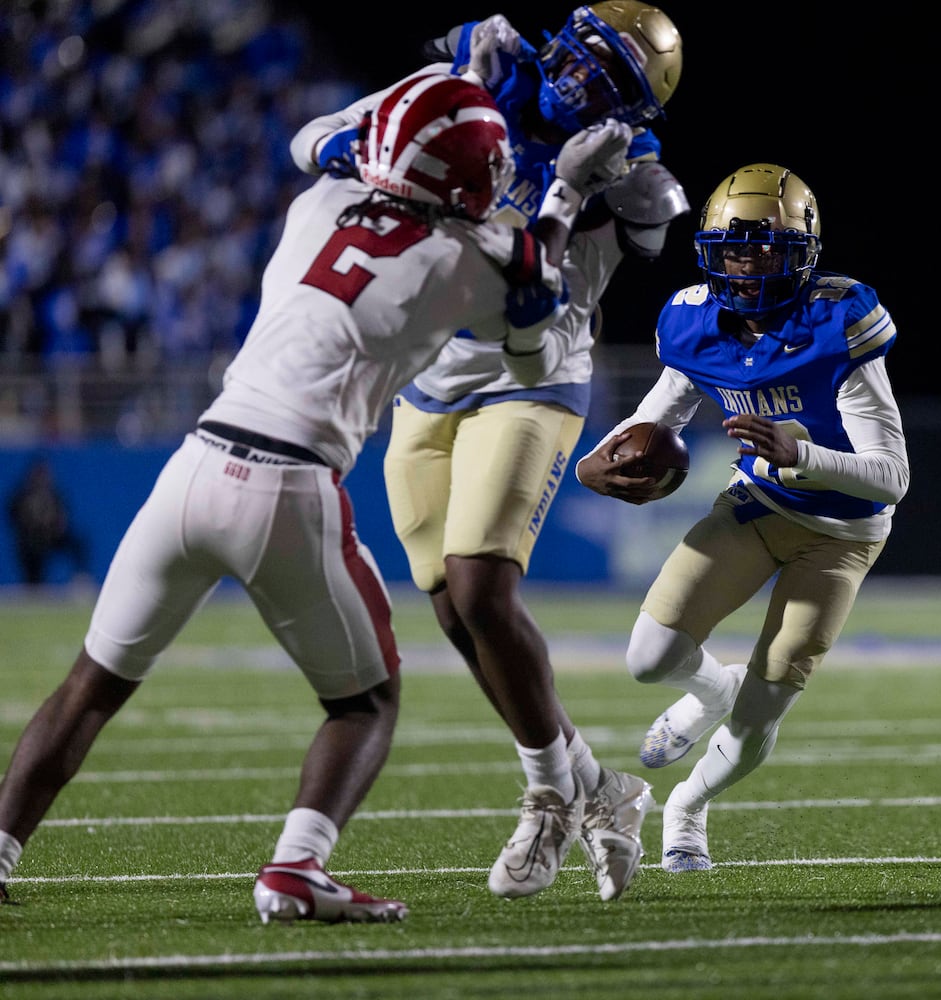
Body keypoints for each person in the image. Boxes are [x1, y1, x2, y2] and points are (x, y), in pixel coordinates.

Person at [0, 74, 632, 918]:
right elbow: (529, 335)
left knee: (90, 685)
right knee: (364, 704)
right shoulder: (466, 260)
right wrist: (563, 190)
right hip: (289, 486)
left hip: (191, 467)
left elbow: (322, 141)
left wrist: (448, 95)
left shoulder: (319, 200)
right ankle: (297, 866)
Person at [290, 2, 685, 902]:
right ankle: (600, 788)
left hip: (534, 380)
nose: (584, 79)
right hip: (428, 380)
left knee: (480, 585)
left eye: (612, 79)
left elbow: (652, 216)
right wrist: (459, 92)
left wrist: (572, 173)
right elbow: (312, 140)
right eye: (587, 55)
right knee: (455, 615)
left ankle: (548, 797)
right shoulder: (472, 89)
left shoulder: (630, 165)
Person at [576, 163, 910, 871]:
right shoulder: (695, 321)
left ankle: (687, 807)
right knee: (647, 658)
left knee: (762, 715)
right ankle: (711, 689)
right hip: (756, 506)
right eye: (733, 248)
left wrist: (801, 453)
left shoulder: (836, 321)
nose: (747, 263)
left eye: (765, 248)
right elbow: (657, 413)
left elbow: (892, 478)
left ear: (802, 254)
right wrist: (594, 464)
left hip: (842, 537)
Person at [6, 456, 89, 588]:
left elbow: (63, 516)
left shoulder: (54, 494)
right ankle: (33, 585)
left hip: (52, 537)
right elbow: (13, 517)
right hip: (31, 540)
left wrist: (56, 526)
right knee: (30, 563)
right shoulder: (23, 495)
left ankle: (81, 578)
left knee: (77, 543)